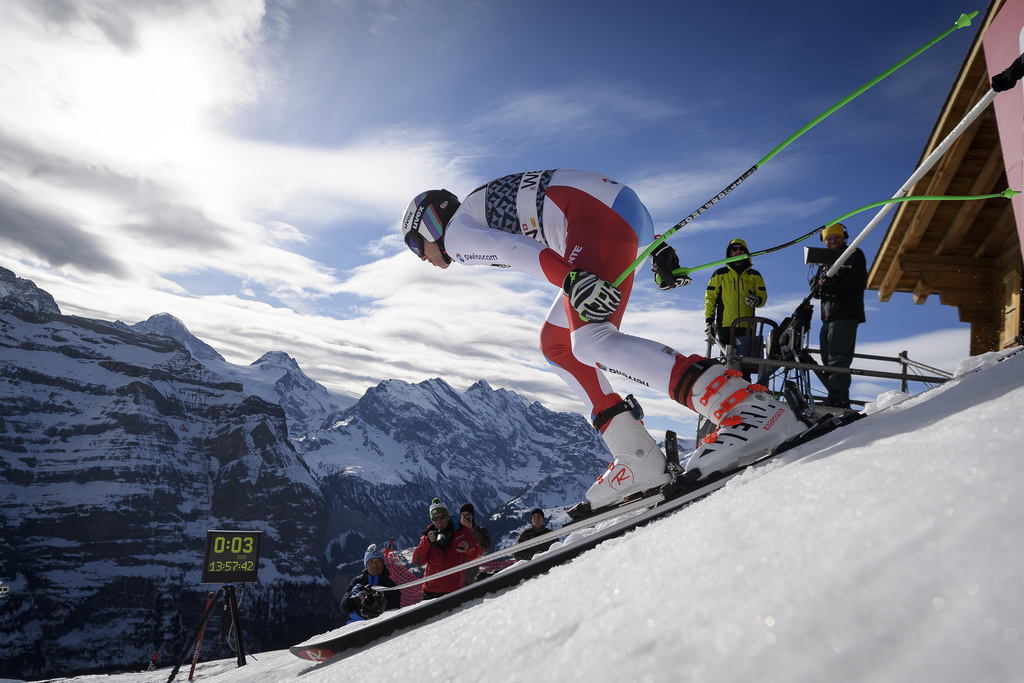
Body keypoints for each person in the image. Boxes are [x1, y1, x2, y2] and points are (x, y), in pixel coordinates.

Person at [401, 169, 806, 510]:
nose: (421, 255)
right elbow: (602, 198)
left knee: (590, 340)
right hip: (615, 213)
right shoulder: (476, 206)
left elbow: (511, 247)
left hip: (593, 219)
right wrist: (656, 250)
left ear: (432, 223)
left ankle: (743, 406)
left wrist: (571, 279)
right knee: (557, 344)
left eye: (416, 243)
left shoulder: (456, 233)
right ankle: (637, 456)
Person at [811, 223, 866, 409]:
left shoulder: (854, 254)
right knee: (828, 359)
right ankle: (835, 397)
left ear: (844, 238)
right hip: (828, 316)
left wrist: (834, 280)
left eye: (836, 237)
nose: (833, 241)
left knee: (838, 359)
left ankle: (839, 401)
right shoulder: (824, 261)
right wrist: (817, 285)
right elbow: (820, 289)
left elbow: (859, 281)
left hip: (845, 313)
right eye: (829, 238)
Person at [704, 238, 768, 351]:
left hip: (747, 325)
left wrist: (758, 300)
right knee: (728, 360)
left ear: (745, 251)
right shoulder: (719, 274)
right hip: (725, 325)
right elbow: (710, 298)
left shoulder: (754, 275)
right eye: (734, 249)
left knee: (746, 361)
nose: (738, 251)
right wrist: (709, 321)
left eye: (741, 249)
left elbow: (762, 295)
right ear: (730, 253)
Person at [411, 498, 482, 599]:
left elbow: (478, 553)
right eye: (435, 519)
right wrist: (426, 542)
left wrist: (468, 547)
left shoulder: (463, 532)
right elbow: (416, 561)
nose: (439, 521)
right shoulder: (429, 535)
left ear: (448, 516)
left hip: (455, 590)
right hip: (431, 592)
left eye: (442, 517)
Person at [341, 544, 400, 623]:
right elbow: (344, 609)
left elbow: (394, 613)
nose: (375, 565)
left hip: (379, 624)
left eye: (378, 561)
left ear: (383, 564)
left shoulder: (390, 586)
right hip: (353, 625)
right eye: (371, 562)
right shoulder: (357, 581)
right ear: (366, 564)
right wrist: (351, 598)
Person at [459, 503, 491, 585]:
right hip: (456, 576)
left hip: (471, 576)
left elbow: (484, 546)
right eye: (463, 515)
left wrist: (472, 531)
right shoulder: (455, 530)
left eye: (467, 515)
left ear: (472, 515)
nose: (465, 517)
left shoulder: (481, 530)